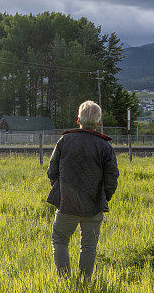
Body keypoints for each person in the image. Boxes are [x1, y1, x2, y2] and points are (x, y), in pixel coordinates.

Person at [47, 100, 119, 280]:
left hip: (67, 205)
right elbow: (112, 178)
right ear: (99, 123)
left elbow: (52, 171)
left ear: (78, 120)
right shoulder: (105, 147)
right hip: (94, 206)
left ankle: (64, 282)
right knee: (88, 247)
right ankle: (84, 284)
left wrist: (62, 192)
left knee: (60, 240)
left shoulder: (64, 140)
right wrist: (105, 197)